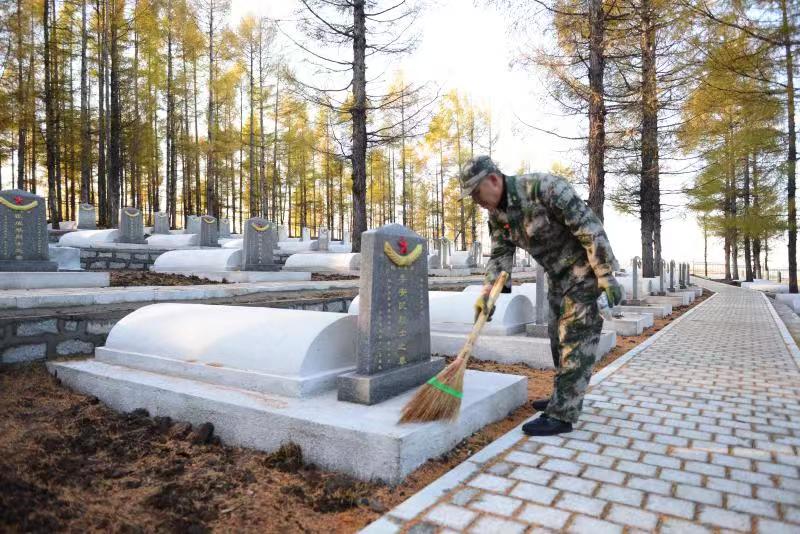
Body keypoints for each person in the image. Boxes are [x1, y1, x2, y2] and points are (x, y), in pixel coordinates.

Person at [461, 155, 622, 436]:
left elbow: (589, 228)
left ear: (494, 179)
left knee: (574, 340)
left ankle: (562, 415)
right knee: (556, 339)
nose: (476, 200)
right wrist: (488, 294)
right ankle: (563, 395)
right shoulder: (497, 215)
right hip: (558, 278)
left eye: (476, 192)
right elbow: (500, 254)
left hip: (584, 273)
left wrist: (606, 275)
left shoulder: (544, 188)